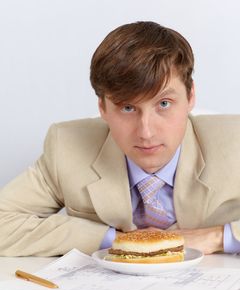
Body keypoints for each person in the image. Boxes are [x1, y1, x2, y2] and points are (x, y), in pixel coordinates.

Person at [0, 21, 240, 257]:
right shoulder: (66, 146)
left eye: (164, 104)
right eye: (127, 108)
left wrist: (219, 237)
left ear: (190, 97)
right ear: (103, 107)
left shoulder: (234, 142)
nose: (146, 132)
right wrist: (114, 240)